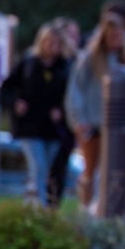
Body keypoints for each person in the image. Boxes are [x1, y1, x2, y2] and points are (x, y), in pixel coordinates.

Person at [67, 11, 125, 212]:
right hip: (93, 121)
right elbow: (75, 90)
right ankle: (86, 207)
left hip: (118, 126)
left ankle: (107, 207)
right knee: (91, 168)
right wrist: (78, 118)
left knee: (114, 169)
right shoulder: (90, 58)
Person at [0, 22, 71, 206]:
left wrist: (61, 110)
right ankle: (40, 207)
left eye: (56, 42)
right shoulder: (28, 64)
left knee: (44, 170)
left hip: (53, 128)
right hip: (29, 127)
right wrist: (15, 103)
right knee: (39, 166)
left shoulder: (65, 68)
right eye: (48, 42)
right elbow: (6, 88)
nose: (51, 46)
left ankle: (29, 206)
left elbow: (71, 96)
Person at [45, 16, 81, 208]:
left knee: (60, 170)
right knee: (45, 170)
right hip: (49, 126)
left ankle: (52, 208)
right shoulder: (51, 64)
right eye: (70, 35)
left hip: (67, 126)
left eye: (76, 35)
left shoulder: (76, 62)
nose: (74, 39)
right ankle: (43, 207)